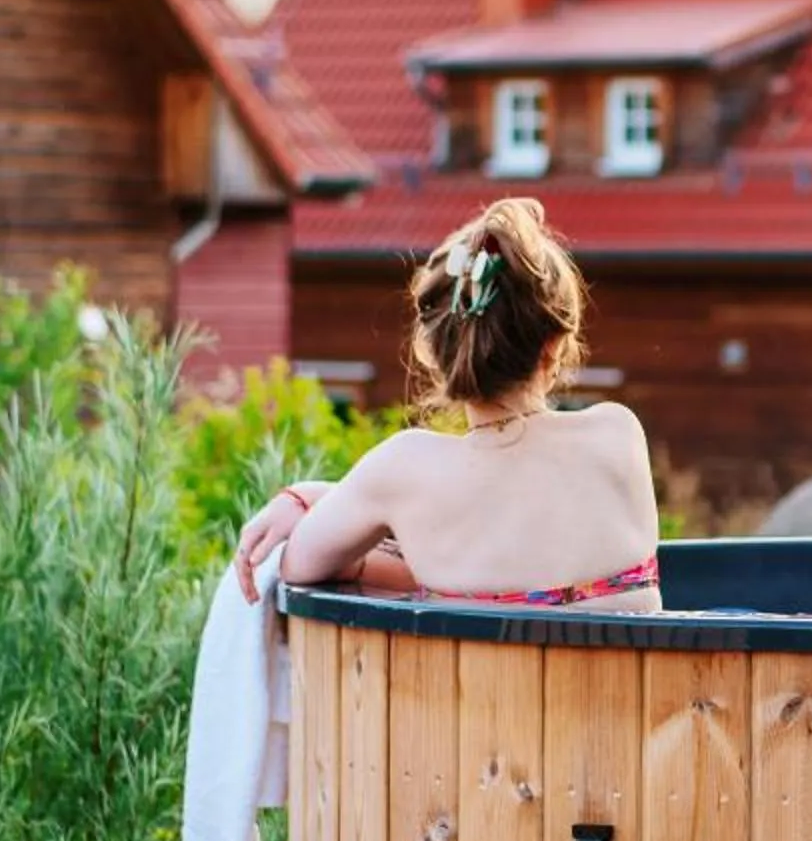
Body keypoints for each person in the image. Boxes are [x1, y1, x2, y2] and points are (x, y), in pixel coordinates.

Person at [229, 198, 661, 611]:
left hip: (479, 690)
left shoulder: (404, 474)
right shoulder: (618, 435)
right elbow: (535, 565)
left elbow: (298, 566)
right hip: (632, 691)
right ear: (553, 346)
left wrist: (309, 497)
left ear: (437, 354)